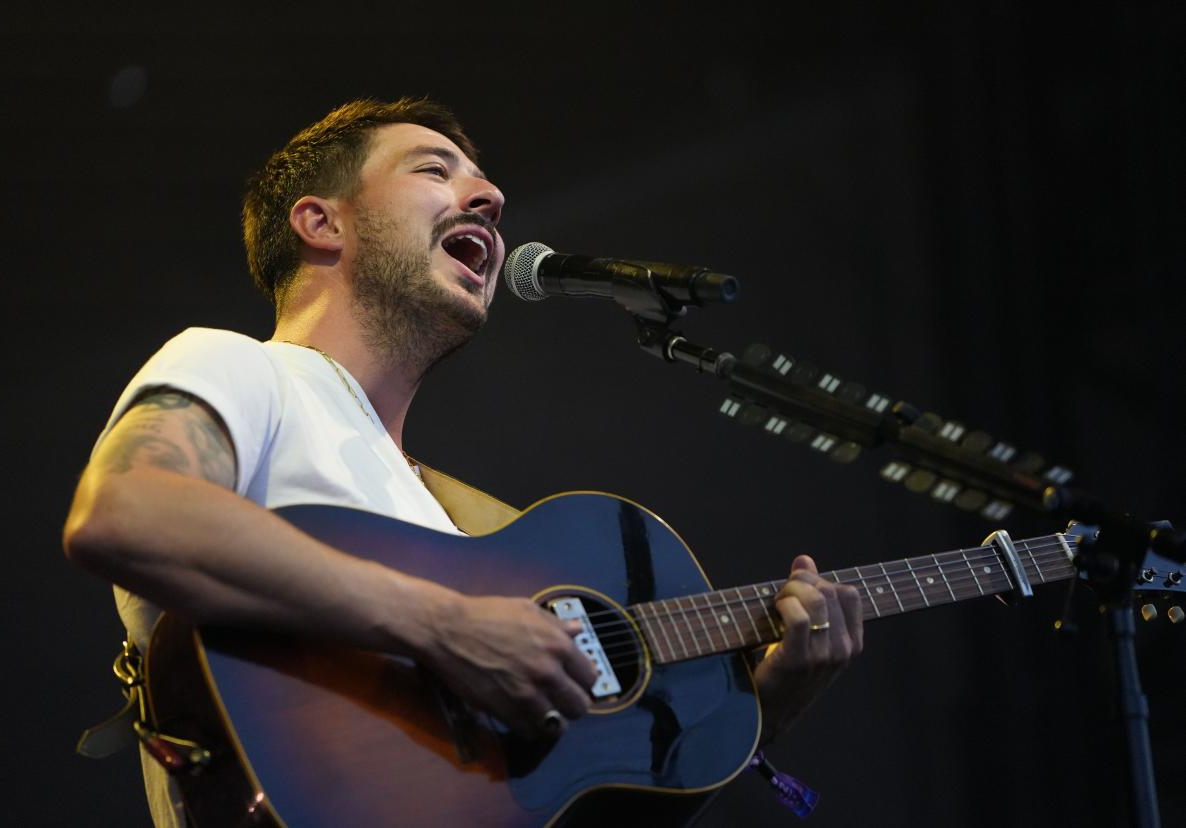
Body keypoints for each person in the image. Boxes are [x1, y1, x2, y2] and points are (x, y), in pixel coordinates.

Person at [63, 97, 864, 827]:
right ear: (320, 222)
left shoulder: (462, 526)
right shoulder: (244, 368)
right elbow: (126, 513)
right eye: (434, 170)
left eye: (485, 181)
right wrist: (444, 625)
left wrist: (764, 704)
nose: (491, 198)